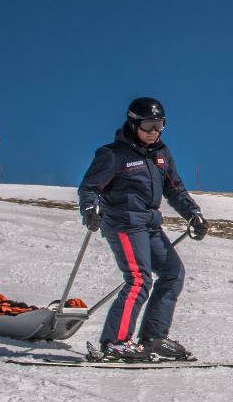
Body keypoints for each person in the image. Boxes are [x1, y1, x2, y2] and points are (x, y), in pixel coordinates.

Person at [77, 97, 208, 362]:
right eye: (148, 125)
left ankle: (153, 338)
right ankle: (114, 342)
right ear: (133, 123)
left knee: (173, 272)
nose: (154, 132)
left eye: (159, 125)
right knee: (139, 279)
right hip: (124, 223)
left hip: (149, 224)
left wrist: (193, 214)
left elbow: (175, 189)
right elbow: (89, 188)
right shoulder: (113, 154)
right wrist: (90, 209)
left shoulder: (161, 154)